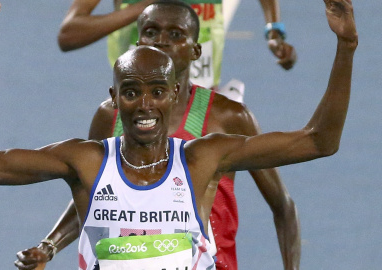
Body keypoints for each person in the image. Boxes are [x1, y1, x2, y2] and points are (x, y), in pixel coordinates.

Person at [0, 0, 357, 269]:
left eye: (157, 92)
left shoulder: (204, 157)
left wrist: (346, 46)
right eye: (131, 92)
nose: (144, 104)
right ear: (115, 98)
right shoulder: (88, 156)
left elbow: (319, 140)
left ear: (174, 92)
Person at [16, 1, 300, 269]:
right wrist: (49, 245)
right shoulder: (110, 116)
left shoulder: (229, 118)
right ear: (139, 42)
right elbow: (93, 195)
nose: (161, 41)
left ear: (195, 50)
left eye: (175, 34)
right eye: (151, 32)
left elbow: (282, 205)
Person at [57, 0, 297, 92]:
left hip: (200, 100)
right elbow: (69, 35)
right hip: (136, 106)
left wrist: (273, 30)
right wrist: (147, 6)